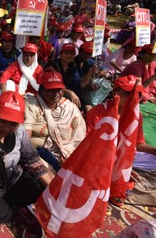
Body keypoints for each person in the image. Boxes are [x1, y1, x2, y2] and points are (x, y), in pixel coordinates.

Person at [0, 91, 51, 236]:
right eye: (2, 120)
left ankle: (12, 209)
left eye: (12, 123)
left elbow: (31, 159)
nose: (6, 127)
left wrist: (53, 188)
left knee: (42, 188)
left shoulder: (19, 132)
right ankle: (13, 212)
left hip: (11, 180)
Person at [86, 75, 156, 206]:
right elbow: (90, 146)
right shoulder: (98, 112)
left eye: (137, 94)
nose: (133, 98)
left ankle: (122, 180)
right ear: (115, 93)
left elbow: (139, 143)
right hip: (101, 156)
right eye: (128, 94)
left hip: (127, 156)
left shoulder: (136, 115)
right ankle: (117, 184)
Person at [24, 71, 86, 171]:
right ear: (41, 90)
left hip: (69, 154)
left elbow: (79, 136)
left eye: (59, 89)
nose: (56, 93)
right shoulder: (32, 104)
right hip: (39, 155)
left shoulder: (68, 107)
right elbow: (25, 140)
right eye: (51, 90)